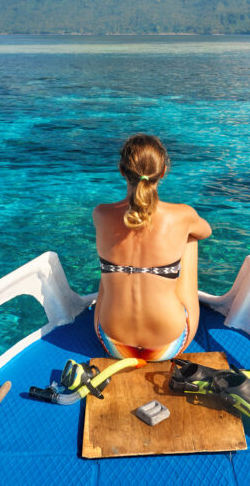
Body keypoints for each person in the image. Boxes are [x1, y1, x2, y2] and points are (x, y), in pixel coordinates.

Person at [93, 134, 211, 361]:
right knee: (190, 237)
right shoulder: (182, 215)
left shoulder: (101, 214)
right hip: (169, 344)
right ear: (163, 171)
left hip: (112, 342)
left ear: (121, 169)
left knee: (110, 263)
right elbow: (206, 231)